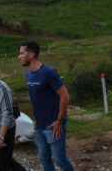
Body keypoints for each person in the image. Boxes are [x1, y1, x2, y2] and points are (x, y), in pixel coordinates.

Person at [19, 41, 74, 171]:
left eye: (22, 53)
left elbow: (65, 96)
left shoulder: (49, 72)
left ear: (31, 54)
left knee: (60, 159)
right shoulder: (28, 74)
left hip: (53, 126)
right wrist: (36, 118)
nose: (19, 56)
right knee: (44, 157)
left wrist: (59, 120)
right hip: (39, 126)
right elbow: (36, 99)